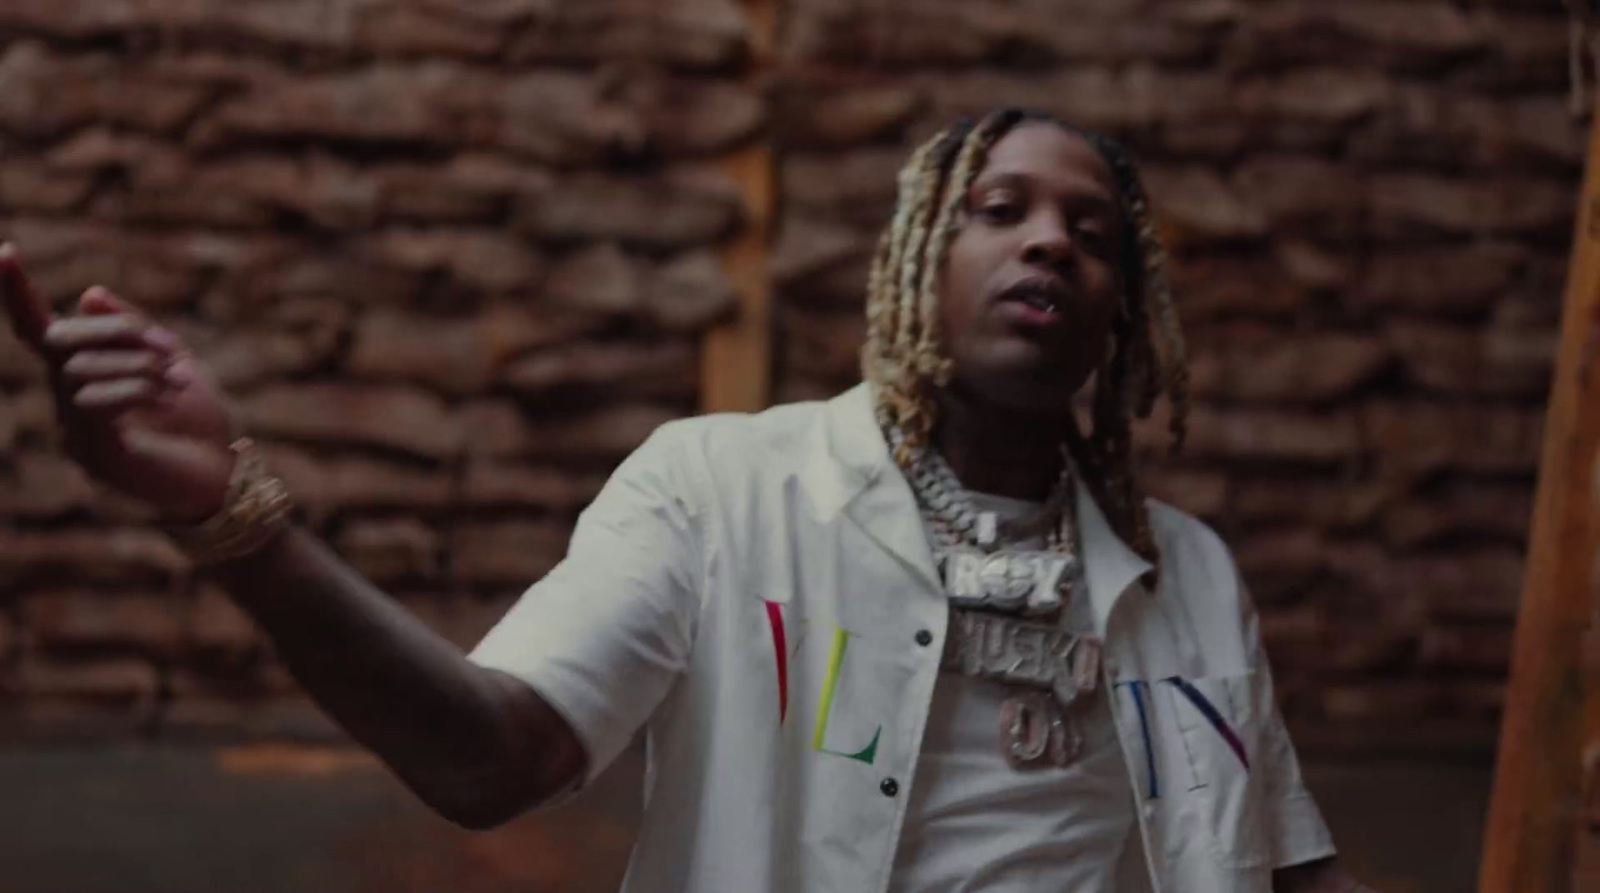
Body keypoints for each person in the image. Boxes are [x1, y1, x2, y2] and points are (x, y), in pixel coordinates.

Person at [2, 107, 1377, 893]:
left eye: (1092, 235)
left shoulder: (1186, 574)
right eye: (998, 206)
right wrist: (235, 517)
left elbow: (1289, 873)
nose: (1049, 243)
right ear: (915, 258)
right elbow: (495, 758)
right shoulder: (721, 493)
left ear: (1125, 316)